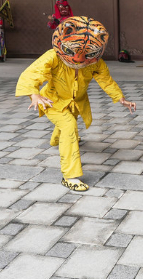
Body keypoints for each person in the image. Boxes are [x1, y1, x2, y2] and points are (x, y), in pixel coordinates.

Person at [16, 16, 136, 191]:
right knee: (69, 125)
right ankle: (70, 176)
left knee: (69, 121)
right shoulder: (53, 57)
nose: (79, 59)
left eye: (88, 54)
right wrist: (34, 95)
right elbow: (31, 74)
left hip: (76, 102)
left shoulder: (96, 63)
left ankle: (56, 140)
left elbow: (106, 81)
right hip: (52, 101)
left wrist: (121, 99)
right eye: (72, 51)